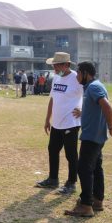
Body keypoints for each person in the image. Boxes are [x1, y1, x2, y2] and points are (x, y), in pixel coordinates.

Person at [65, 61, 112, 217]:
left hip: (92, 136)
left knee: (83, 168)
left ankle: (86, 205)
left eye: (79, 73)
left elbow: (107, 106)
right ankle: (97, 200)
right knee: (95, 167)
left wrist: (111, 126)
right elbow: (96, 106)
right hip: (95, 135)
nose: (77, 76)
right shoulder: (92, 86)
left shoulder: (94, 87)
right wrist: (83, 113)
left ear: (86, 73)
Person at [36, 52, 83, 195]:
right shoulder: (56, 78)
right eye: (54, 66)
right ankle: (53, 179)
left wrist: (82, 110)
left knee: (71, 154)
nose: (55, 69)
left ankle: (71, 183)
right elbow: (52, 99)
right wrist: (47, 119)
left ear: (67, 65)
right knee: (52, 150)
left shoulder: (76, 78)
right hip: (57, 123)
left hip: (71, 123)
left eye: (57, 66)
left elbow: (88, 94)